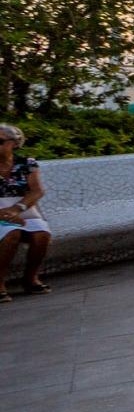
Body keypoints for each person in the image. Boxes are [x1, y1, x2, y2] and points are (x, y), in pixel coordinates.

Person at [0, 123, 53, 297]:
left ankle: (31, 279)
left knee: (42, 235)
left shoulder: (27, 163)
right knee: (11, 234)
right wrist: (5, 215)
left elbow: (37, 190)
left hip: (23, 211)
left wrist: (17, 209)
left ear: (14, 143)